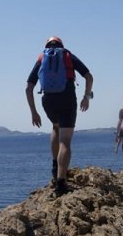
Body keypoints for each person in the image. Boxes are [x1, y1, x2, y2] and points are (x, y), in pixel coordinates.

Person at [26, 36, 93, 196]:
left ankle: (55, 166)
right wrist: (86, 97)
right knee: (65, 141)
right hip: (67, 97)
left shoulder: (42, 57)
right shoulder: (67, 55)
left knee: (55, 126)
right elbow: (89, 76)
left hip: (48, 100)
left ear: (47, 45)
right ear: (61, 45)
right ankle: (61, 183)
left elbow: (29, 88)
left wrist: (34, 112)